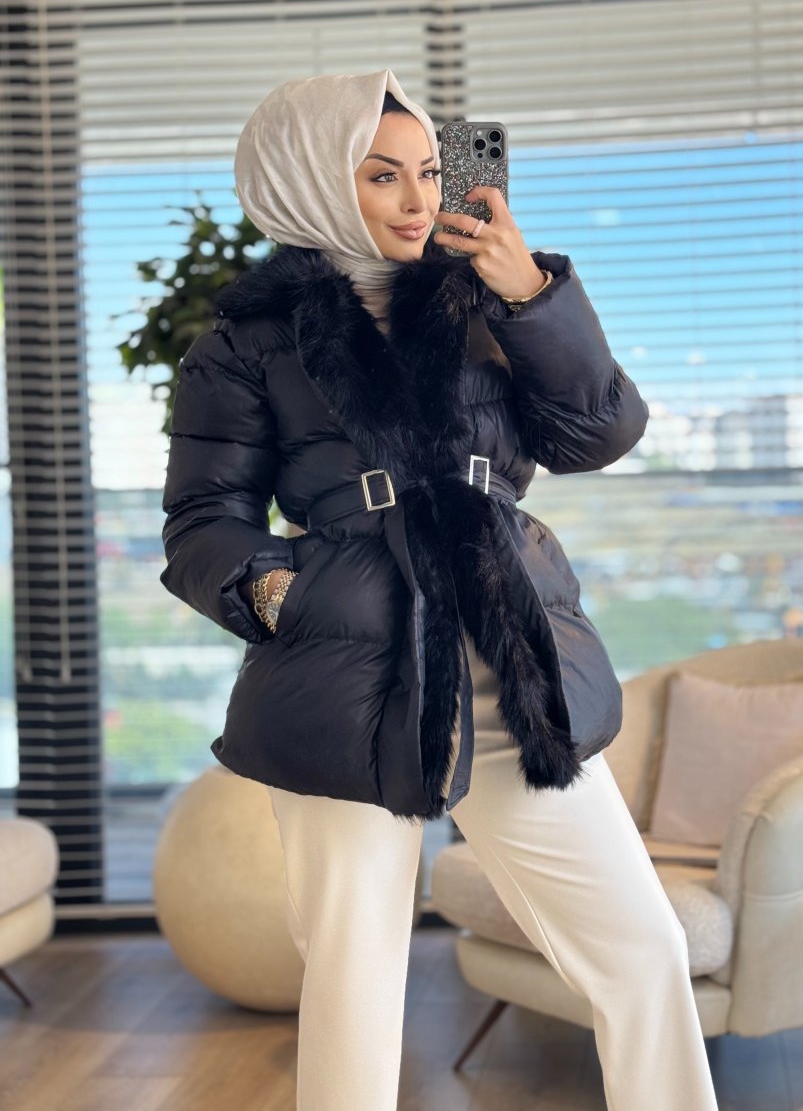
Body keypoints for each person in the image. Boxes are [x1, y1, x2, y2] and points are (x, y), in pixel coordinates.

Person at [159, 68, 720, 1111]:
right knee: (356, 980)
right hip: (352, 679)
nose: (419, 199)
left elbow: (600, 432)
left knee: (641, 947)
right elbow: (202, 524)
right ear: (310, 179)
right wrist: (289, 596)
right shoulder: (242, 344)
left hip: (513, 659)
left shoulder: (485, 301)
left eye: (429, 171)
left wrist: (530, 292)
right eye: (383, 175)